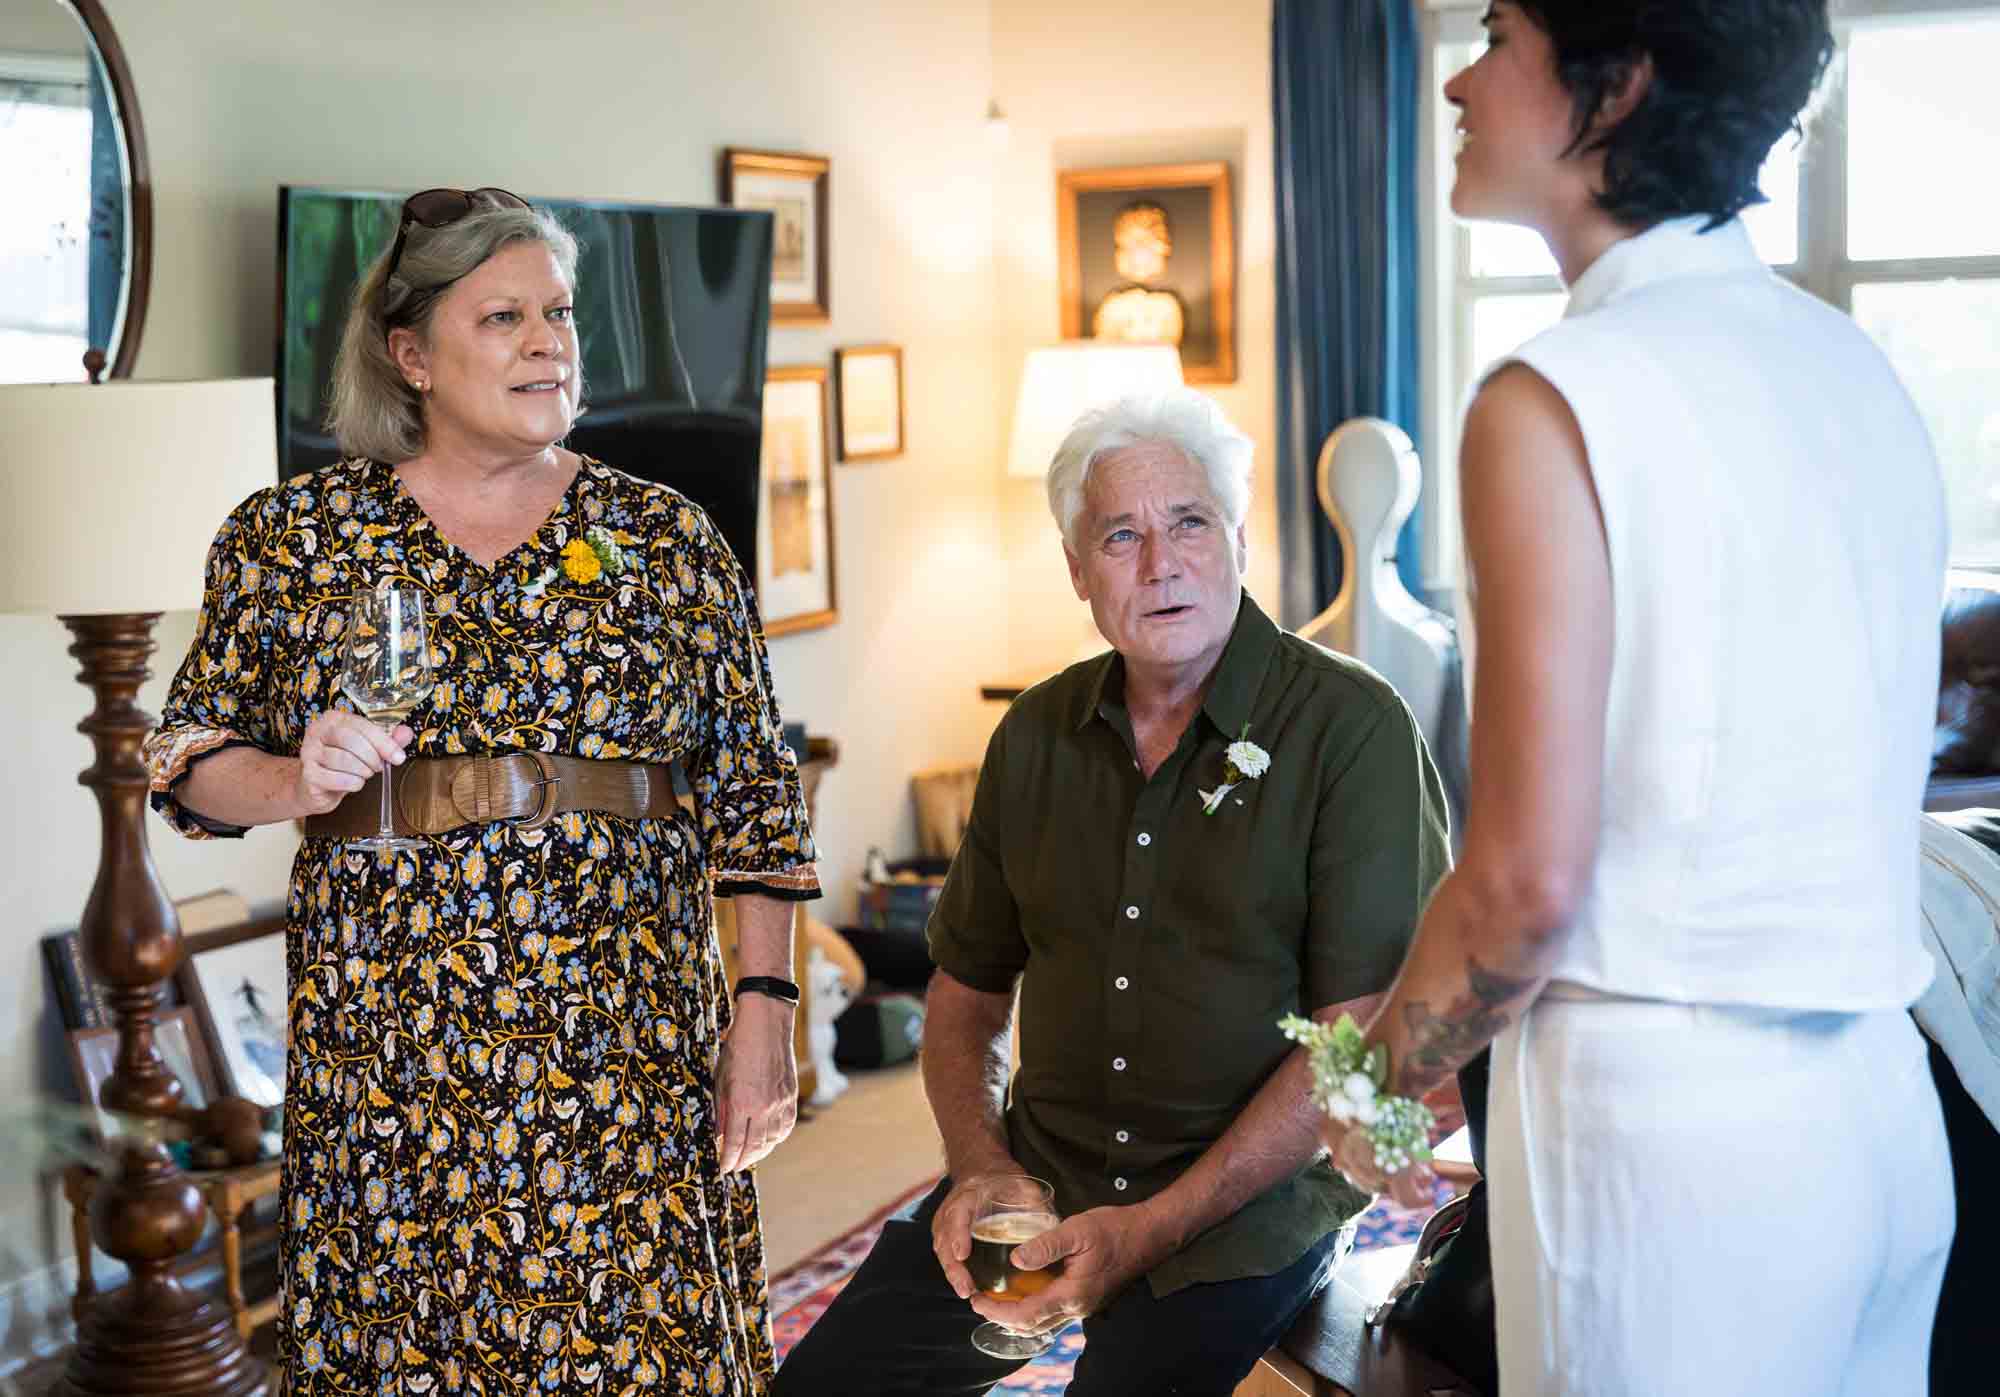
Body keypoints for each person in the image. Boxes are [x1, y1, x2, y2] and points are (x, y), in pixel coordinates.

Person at [1303, 5, 1953, 1394]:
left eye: (1496, 33)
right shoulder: (1852, 368)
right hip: (1881, 1124)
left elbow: (1525, 885)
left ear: (1620, 83)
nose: (1462, 79)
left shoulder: (1555, 395)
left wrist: (1369, 1091)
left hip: (1671, 1160)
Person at [142, 188, 818, 1394]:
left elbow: (757, 800)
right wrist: (299, 776)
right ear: (409, 354)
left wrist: (761, 1008)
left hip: (625, 1028)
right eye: (503, 316)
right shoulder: (293, 539)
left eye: (556, 312)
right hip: (391, 1036)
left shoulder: (665, 539)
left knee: (637, 1341)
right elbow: (191, 764)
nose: (548, 340)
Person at [773, 389, 1451, 1395]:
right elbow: (962, 995)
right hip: (1041, 1183)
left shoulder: (1353, 729)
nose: (1159, 562)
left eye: (1187, 522)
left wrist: (1146, 1230)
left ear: (1237, 537)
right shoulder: (1034, 734)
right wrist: (982, 1166)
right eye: (1118, 535)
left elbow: (1354, 1039)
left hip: (1240, 1208)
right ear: (1075, 569)